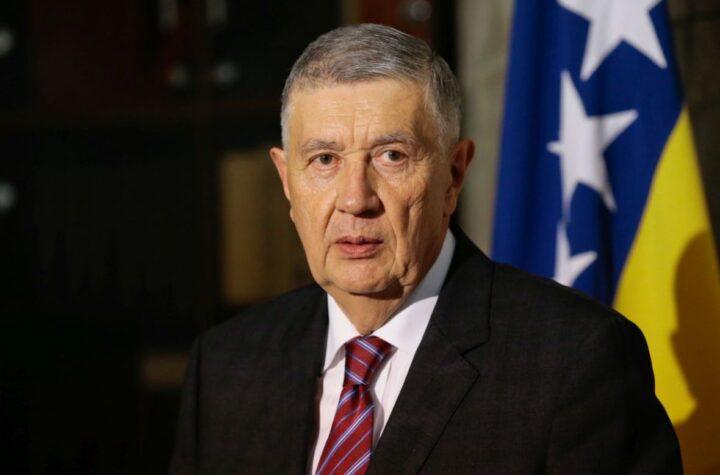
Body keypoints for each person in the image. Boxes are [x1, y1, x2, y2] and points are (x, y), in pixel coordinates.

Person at [170, 24, 681, 474]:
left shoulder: (575, 361)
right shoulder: (227, 365)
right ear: (287, 180)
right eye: (324, 160)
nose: (355, 199)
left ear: (453, 175)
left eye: (391, 156)